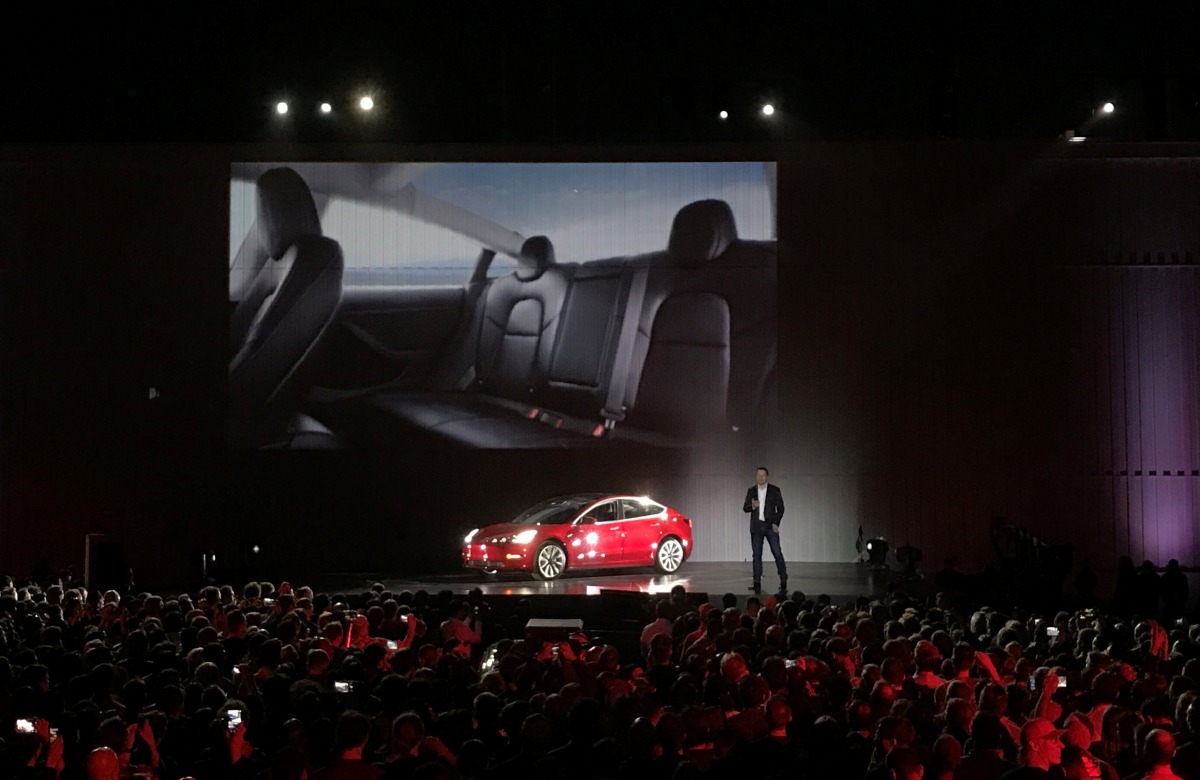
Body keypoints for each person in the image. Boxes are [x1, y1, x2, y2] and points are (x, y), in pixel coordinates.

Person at [742, 466, 787, 594]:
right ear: (756, 476)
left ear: (767, 476)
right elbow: (745, 508)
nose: (760, 477)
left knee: (777, 553)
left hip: (770, 527)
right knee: (756, 556)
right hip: (756, 528)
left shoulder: (774, 490)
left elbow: (781, 508)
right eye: (758, 475)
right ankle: (756, 582)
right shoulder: (751, 490)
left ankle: (783, 578)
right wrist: (752, 505)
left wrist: (776, 522)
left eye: (763, 475)